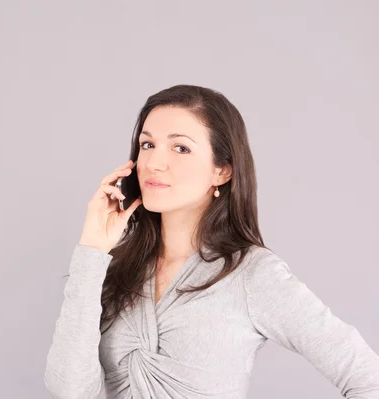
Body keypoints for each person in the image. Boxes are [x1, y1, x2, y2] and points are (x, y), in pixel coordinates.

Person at [44, 84, 379, 399]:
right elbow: (69, 390)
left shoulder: (252, 274)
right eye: (148, 145)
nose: (154, 163)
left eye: (180, 148)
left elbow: (367, 377)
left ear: (222, 171)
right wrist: (92, 250)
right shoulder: (116, 268)